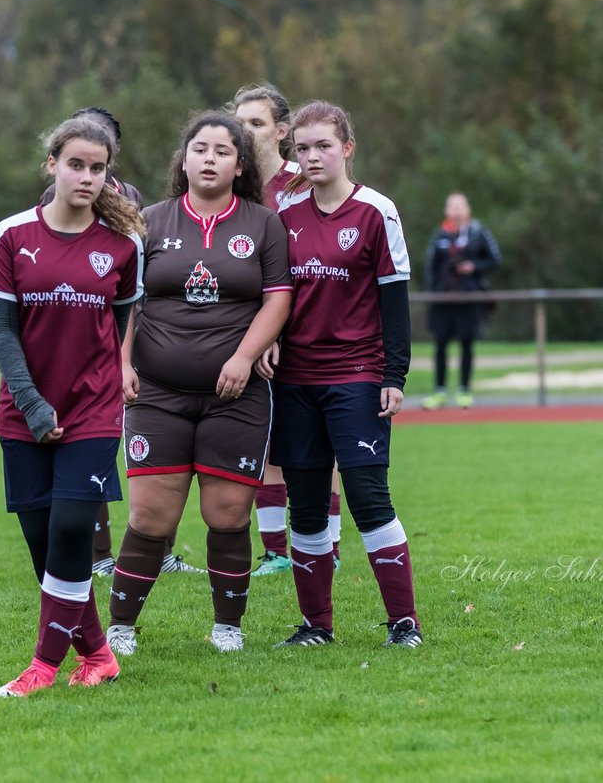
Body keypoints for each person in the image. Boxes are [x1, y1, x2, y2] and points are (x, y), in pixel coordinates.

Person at [105, 111, 292, 655]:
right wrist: (121, 362)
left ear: (239, 166)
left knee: (227, 514)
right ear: (183, 160)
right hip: (156, 394)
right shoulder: (148, 222)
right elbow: (125, 301)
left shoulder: (263, 224)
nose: (209, 159)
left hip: (237, 395)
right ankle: (120, 627)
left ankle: (227, 628)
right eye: (200, 149)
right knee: (150, 516)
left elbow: (278, 298)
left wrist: (243, 356)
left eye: (223, 151)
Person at [0, 115, 145, 697]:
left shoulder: (124, 245)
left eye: (98, 168)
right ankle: (98, 654)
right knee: (44, 544)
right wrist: (32, 405)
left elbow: (120, 321)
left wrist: (104, 380)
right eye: (76, 164)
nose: (87, 176)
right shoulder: (10, 236)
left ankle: (42, 669)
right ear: (51, 164)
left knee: (73, 530)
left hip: (94, 413)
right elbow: (1, 333)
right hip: (25, 413)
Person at [266, 100, 423, 648]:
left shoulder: (377, 212)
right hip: (295, 384)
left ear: (347, 149)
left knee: (368, 498)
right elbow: (275, 300)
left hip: (357, 377)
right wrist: (266, 346)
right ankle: (316, 626)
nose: (311, 156)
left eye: (323, 146)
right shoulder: (284, 216)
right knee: (305, 506)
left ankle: (404, 624)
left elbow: (395, 303)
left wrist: (393, 376)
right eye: (302, 148)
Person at [40, 106, 201, 577]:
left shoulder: (129, 196)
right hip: (81, 347)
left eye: (103, 142)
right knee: (91, 449)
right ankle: (98, 556)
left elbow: (135, 279)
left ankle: (160, 551)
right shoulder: (60, 193)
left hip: (133, 336)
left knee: (149, 447)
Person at [229, 82, 344, 577]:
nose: (243, 130)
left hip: (307, 333)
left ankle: (328, 548)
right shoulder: (232, 185)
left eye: (255, 122)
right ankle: (277, 550)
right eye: (238, 121)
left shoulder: (302, 182)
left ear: (281, 131)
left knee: (321, 449)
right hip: (247, 334)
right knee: (263, 444)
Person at [420, 192, 502, 410]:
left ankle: (464, 391)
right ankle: (439, 392)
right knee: (440, 346)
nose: (456, 211)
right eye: (452, 206)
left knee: (467, 344)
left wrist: (473, 267)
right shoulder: (439, 236)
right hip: (443, 301)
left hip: (468, 300)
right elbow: (430, 267)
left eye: (460, 206)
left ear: (468, 210)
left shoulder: (478, 233)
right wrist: (434, 291)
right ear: (446, 210)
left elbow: (495, 260)